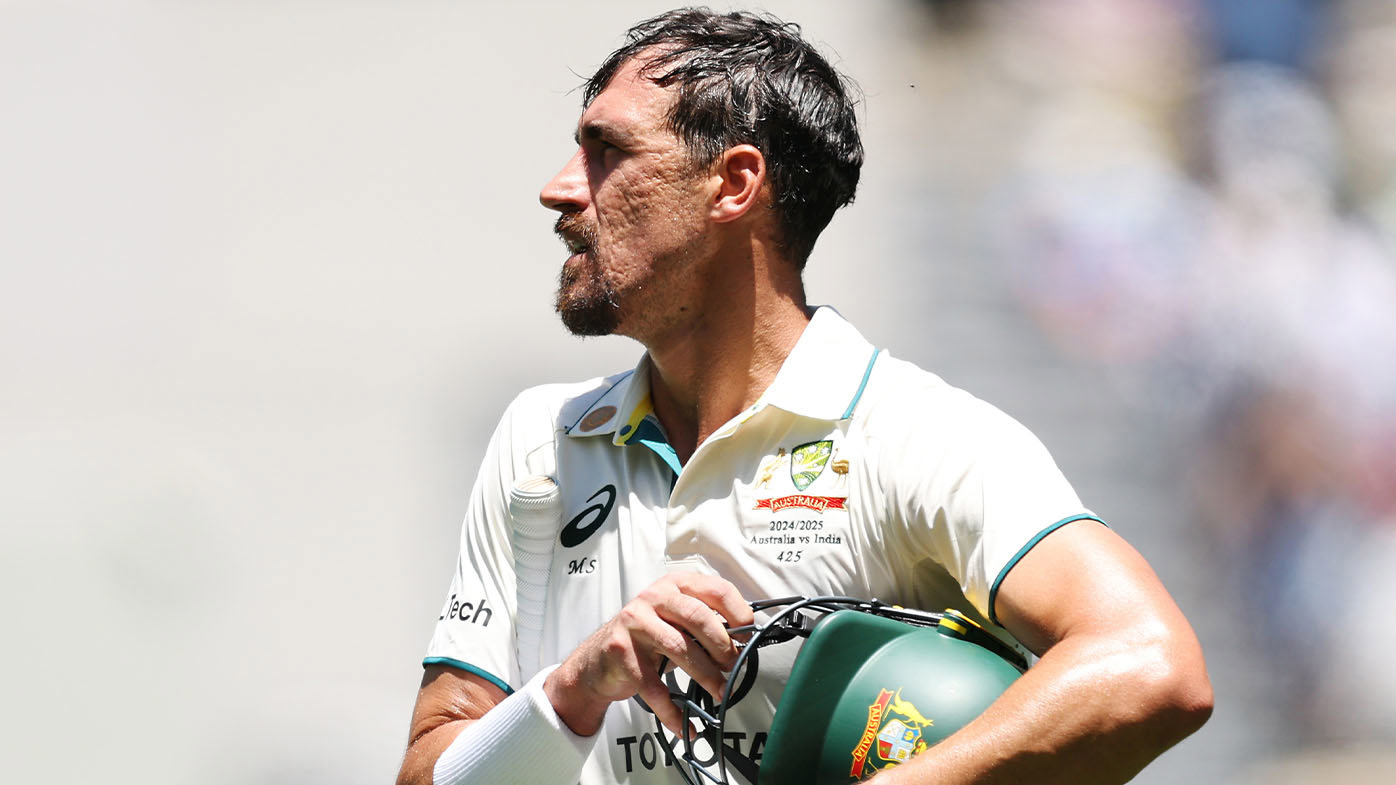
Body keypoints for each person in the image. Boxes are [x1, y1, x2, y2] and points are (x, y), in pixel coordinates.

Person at [396, 8, 1212, 785]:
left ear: (733, 183)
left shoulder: (915, 434)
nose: (560, 190)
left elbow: (1150, 661)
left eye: (608, 151)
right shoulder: (541, 440)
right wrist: (574, 689)